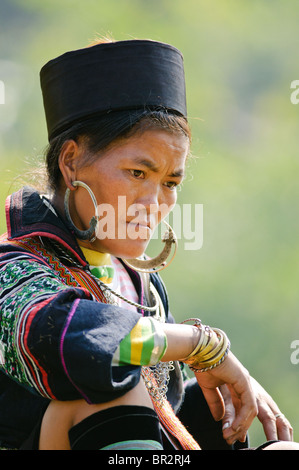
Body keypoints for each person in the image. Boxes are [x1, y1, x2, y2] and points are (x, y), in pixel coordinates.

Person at [0, 37, 297, 451]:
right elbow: (66, 340)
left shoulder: (141, 286)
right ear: (71, 162)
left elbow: (163, 414)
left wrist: (221, 403)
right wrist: (202, 346)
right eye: (138, 173)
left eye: (171, 182)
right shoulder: (13, 267)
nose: (155, 203)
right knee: (111, 387)